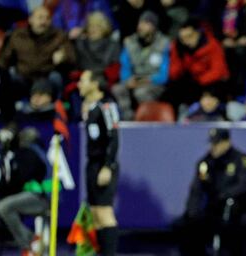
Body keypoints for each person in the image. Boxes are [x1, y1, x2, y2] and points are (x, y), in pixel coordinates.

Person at [173, 128, 246, 256]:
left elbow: (243, 185)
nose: (213, 147)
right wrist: (192, 213)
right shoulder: (205, 162)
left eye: (217, 143)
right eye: (212, 143)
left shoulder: (241, 160)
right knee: (186, 226)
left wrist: (224, 195)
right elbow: (196, 190)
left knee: (238, 226)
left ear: (227, 142)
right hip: (211, 208)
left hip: (233, 208)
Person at [77, 70, 120, 255]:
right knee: (94, 214)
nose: (79, 84)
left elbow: (114, 137)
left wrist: (108, 166)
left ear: (95, 84)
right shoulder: (90, 107)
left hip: (103, 165)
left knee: (104, 213)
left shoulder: (107, 106)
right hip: (92, 165)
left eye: (83, 80)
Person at [0, 126, 50, 256]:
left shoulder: (31, 153)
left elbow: (21, 179)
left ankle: (30, 241)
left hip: (43, 198)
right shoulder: (19, 154)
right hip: (29, 195)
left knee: (4, 207)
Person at [112, 10, 170, 120]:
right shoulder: (130, 42)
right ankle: (128, 119)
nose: (141, 27)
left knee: (141, 92)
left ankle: (148, 120)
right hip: (134, 80)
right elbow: (125, 67)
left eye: (146, 23)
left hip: (154, 83)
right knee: (118, 89)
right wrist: (127, 80)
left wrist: (148, 80)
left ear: (154, 26)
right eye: (140, 23)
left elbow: (164, 74)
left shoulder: (164, 43)